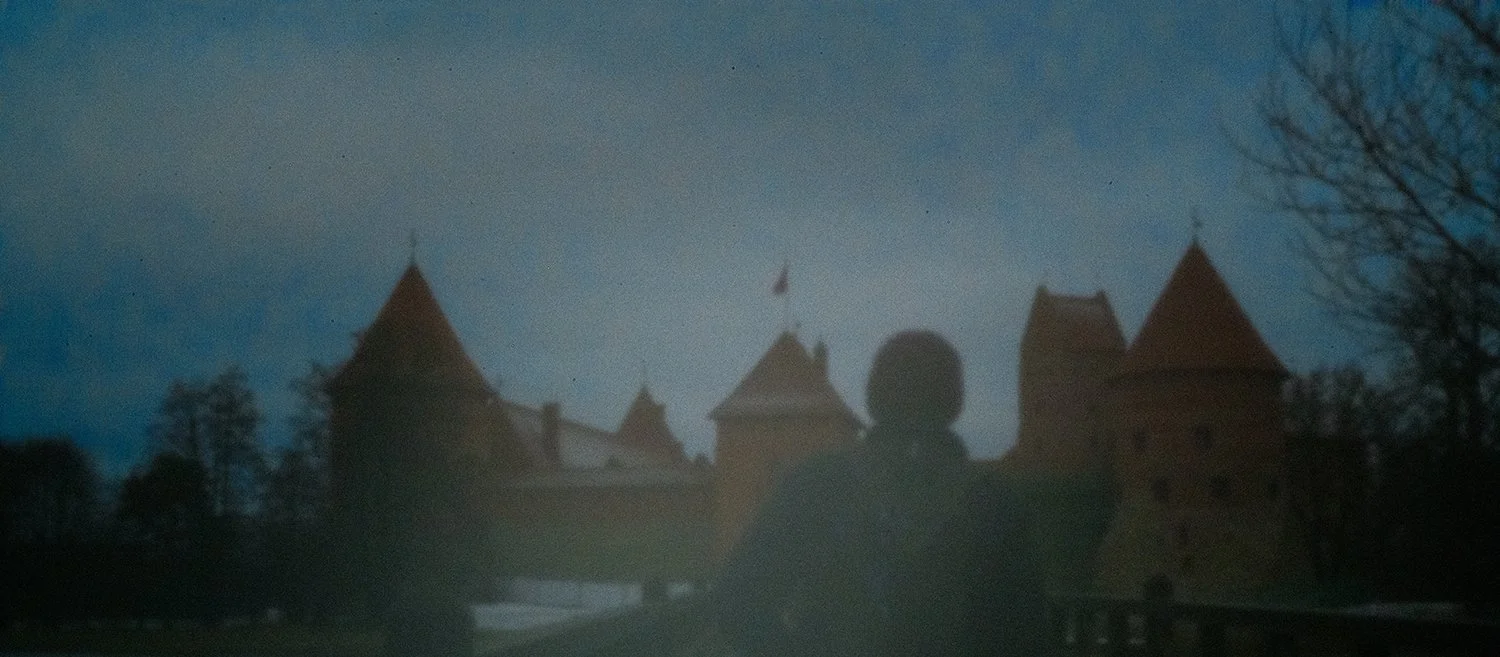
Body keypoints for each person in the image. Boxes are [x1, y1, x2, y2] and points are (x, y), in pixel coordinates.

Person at [714, 330, 1047, 657]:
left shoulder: (815, 485)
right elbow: (1026, 637)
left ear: (874, 397)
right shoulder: (996, 505)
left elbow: (736, 600)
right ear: (954, 401)